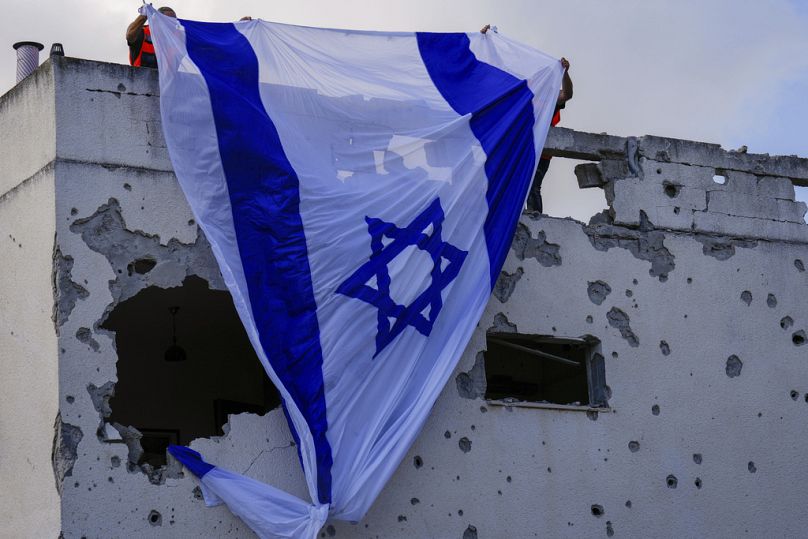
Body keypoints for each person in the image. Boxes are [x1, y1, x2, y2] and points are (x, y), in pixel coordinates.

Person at [480, 25, 573, 213]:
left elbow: (567, 95)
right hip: (518, 145)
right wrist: (488, 41)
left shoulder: (549, 98)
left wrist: (565, 72)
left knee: (532, 186)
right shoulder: (520, 95)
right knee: (504, 181)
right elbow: (497, 71)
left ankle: (535, 220)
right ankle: (503, 217)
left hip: (540, 150)